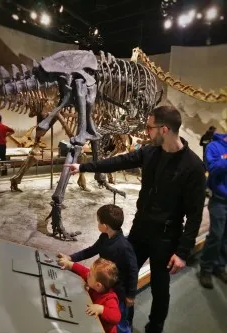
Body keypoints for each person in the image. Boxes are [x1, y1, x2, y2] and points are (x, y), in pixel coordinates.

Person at [65, 105, 206, 333]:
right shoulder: (150, 152)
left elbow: (195, 214)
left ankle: (155, 327)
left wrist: (182, 252)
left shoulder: (193, 167)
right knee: (120, 277)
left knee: (160, 288)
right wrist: (83, 166)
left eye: (150, 128)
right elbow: (118, 162)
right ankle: (122, 321)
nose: (146, 132)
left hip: (166, 239)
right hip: (140, 231)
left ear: (165, 129)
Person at [58, 204, 138, 333]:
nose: (97, 223)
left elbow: (133, 270)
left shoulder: (124, 246)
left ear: (105, 226)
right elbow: (91, 250)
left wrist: (131, 295)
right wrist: (71, 258)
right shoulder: (104, 237)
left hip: (119, 292)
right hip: (105, 284)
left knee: (121, 321)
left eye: (98, 221)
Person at [59, 257, 121, 333]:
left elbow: (116, 317)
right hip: (91, 323)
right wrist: (70, 264)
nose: (87, 274)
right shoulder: (93, 282)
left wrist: (101, 309)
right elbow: (83, 270)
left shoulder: (110, 299)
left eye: (90, 275)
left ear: (98, 285)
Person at [199, 133, 227, 289]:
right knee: (216, 234)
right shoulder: (214, 146)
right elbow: (213, 167)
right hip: (220, 200)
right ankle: (206, 269)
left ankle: (220, 266)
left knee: (226, 236)